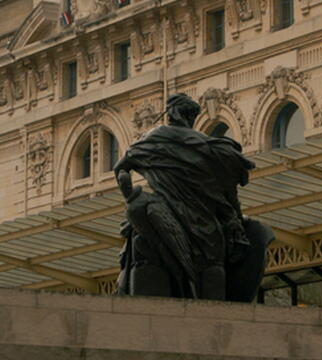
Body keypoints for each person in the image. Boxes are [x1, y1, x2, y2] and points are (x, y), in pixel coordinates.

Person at [114, 93, 271, 301]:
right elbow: (230, 194)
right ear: (191, 118)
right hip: (206, 225)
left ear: (170, 114)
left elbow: (120, 169)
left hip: (165, 218)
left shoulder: (154, 137)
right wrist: (237, 223)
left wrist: (130, 195)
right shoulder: (216, 149)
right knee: (212, 272)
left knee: (146, 255)